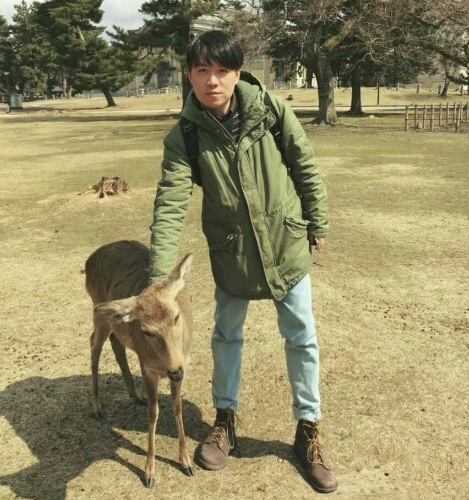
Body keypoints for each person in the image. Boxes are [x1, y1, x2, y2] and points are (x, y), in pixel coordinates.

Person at [148, 30, 337, 494]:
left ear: (237, 73)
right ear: (189, 75)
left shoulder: (270, 109)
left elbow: (303, 162)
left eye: (222, 70)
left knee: (301, 335)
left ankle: (308, 429)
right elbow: (170, 203)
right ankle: (225, 421)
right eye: (202, 71)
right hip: (231, 252)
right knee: (227, 335)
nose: (212, 81)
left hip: (285, 242)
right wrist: (158, 281)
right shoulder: (184, 136)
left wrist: (317, 218)